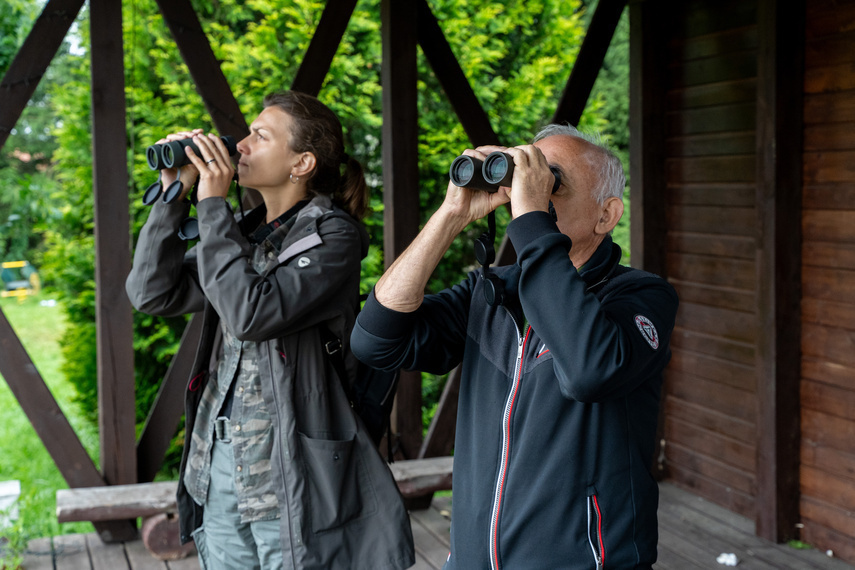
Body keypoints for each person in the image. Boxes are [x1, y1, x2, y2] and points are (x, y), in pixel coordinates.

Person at [350, 124, 679, 569]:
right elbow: (374, 340)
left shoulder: (641, 297)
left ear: (607, 215)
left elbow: (590, 370)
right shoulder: (492, 292)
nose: (531, 192)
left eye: (550, 181)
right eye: (528, 177)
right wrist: (451, 212)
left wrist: (530, 220)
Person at [126, 91, 414, 570]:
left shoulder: (333, 237)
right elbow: (152, 293)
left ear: (302, 162)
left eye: (260, 135)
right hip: (219, 462)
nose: (240, 145)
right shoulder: (243, 232)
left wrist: (213, 207)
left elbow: (251, 315)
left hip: (292, 470)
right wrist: (174, 197)